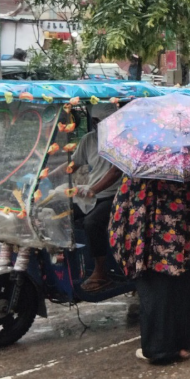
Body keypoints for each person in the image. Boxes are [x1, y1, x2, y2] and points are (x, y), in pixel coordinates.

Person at [109, 176, 190, 365]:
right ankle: (185, 347)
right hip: (185, 245)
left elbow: (120, 216)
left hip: (151, 247)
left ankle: (160, 349)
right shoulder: (189, 172)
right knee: (188, 283)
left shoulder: (138, 174)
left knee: (156, 290)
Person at [72, 105, 123, 293]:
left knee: (92, 222)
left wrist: (94, 189)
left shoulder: (121, 140)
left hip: (116, 195)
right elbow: (72, 165)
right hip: (91, 195)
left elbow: (116, 171)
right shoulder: (88, 140)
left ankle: (101, 272)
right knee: (61, 212)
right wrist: (45, 177)